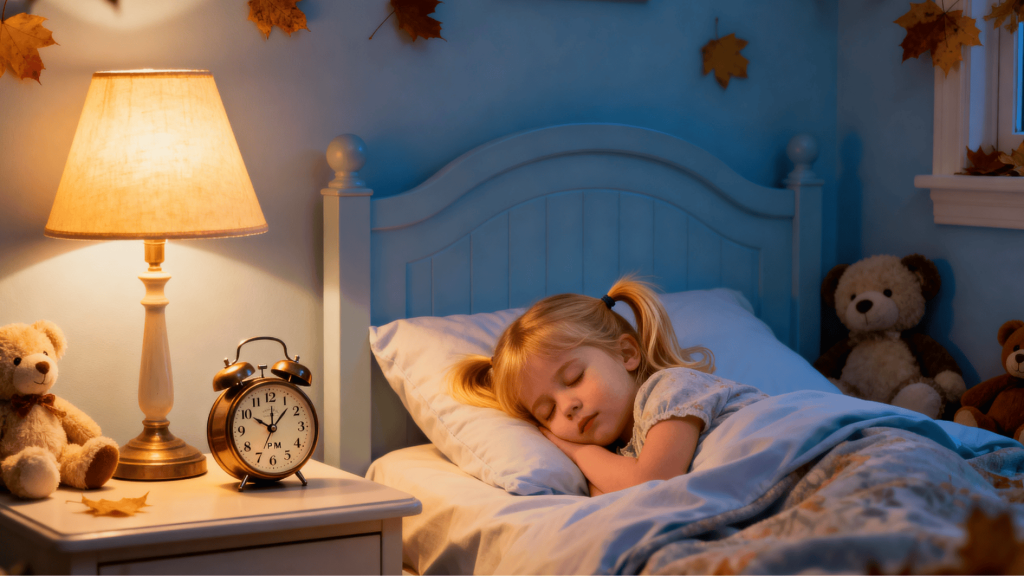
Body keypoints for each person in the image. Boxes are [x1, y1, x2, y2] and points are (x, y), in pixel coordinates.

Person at [448, 276, 767, 496]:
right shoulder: (619, 458)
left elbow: (653, 483)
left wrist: (578, 451)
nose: (568, 407)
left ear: (626, 354)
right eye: (547, 412)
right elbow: (613, 508)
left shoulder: (671, 388)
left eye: (574, 378)